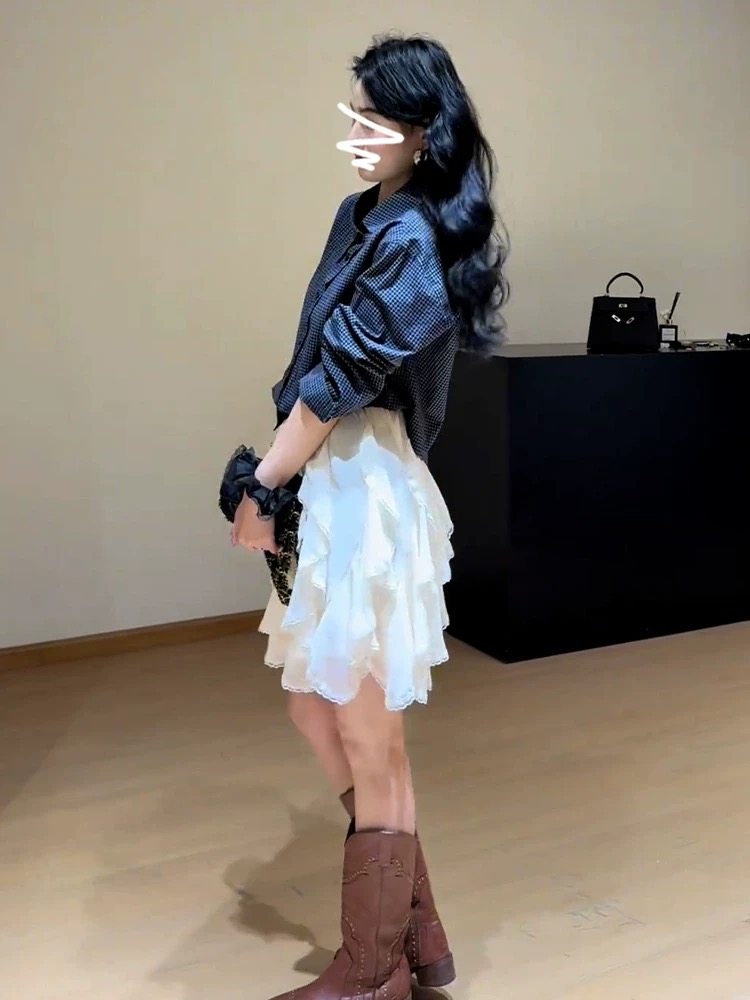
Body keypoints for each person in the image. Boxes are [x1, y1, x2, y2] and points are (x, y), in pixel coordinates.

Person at [230, 33, 508, 1000]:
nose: (357, 132)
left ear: (424, 133)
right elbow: (313, 365)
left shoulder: (417, 237)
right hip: (329, 478)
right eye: (354, 114)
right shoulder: (361, 215)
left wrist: (261, 484)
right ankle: (418, 937)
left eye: (377, 119)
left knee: (365, 729)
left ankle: (373, 968)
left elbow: (341, 379)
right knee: (320, 706)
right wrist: (281, 478)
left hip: (366, 485)